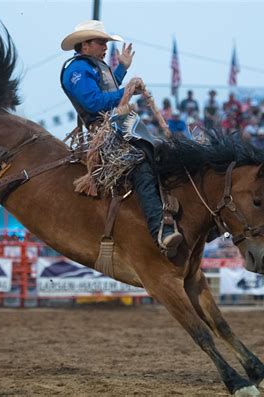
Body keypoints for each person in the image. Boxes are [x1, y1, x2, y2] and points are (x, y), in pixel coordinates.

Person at [60, 20, 182, 256]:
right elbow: (93, 102)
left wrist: (122, 70)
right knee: (140, 166)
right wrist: (125, 91)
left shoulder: (93, 67)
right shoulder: (77, 71)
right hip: (104, 133)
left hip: (118, 127)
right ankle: (161, 230)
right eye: (101, 42)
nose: (106, 47)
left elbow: (105, 91)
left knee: (160, 155)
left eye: (105, 42)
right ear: (85, 45)